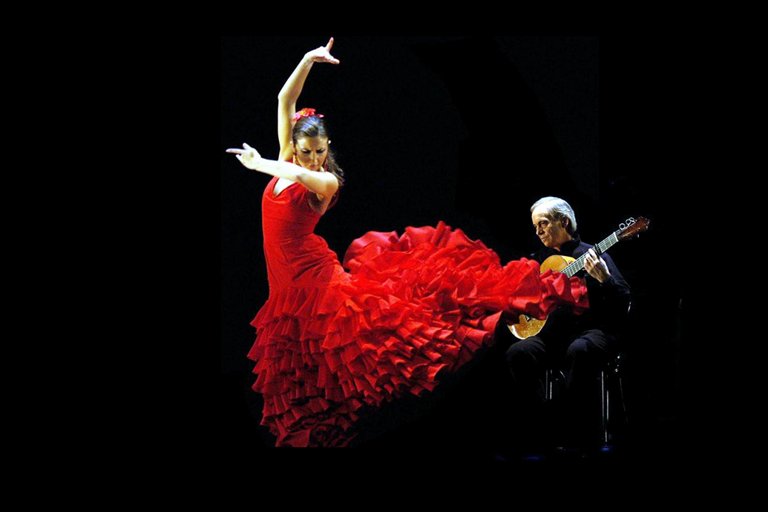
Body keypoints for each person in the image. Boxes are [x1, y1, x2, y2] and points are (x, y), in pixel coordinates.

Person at [226, 39, 589, 448]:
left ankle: (513, 299)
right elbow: (284, 96)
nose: (314, 158)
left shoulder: (323, 180)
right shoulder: (288, 155)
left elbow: (299, 177)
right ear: (296, 145)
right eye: (307, 151)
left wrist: (262, 165)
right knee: (306, 363)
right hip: (285, 278)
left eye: (321, 151)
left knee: (363, 341)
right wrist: (308, 60)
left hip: (311, 276)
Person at [504, 196, 631, 453]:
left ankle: (579, 436)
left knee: (579, 350)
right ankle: (544, 429)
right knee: (518, 353)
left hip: (592, 332)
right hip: (554, 336)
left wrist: (605, 280)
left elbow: (624, 298)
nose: (538, 231)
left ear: (563, 221)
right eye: (535, 227)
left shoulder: (592, 254)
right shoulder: (540, 261)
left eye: (543, 223)